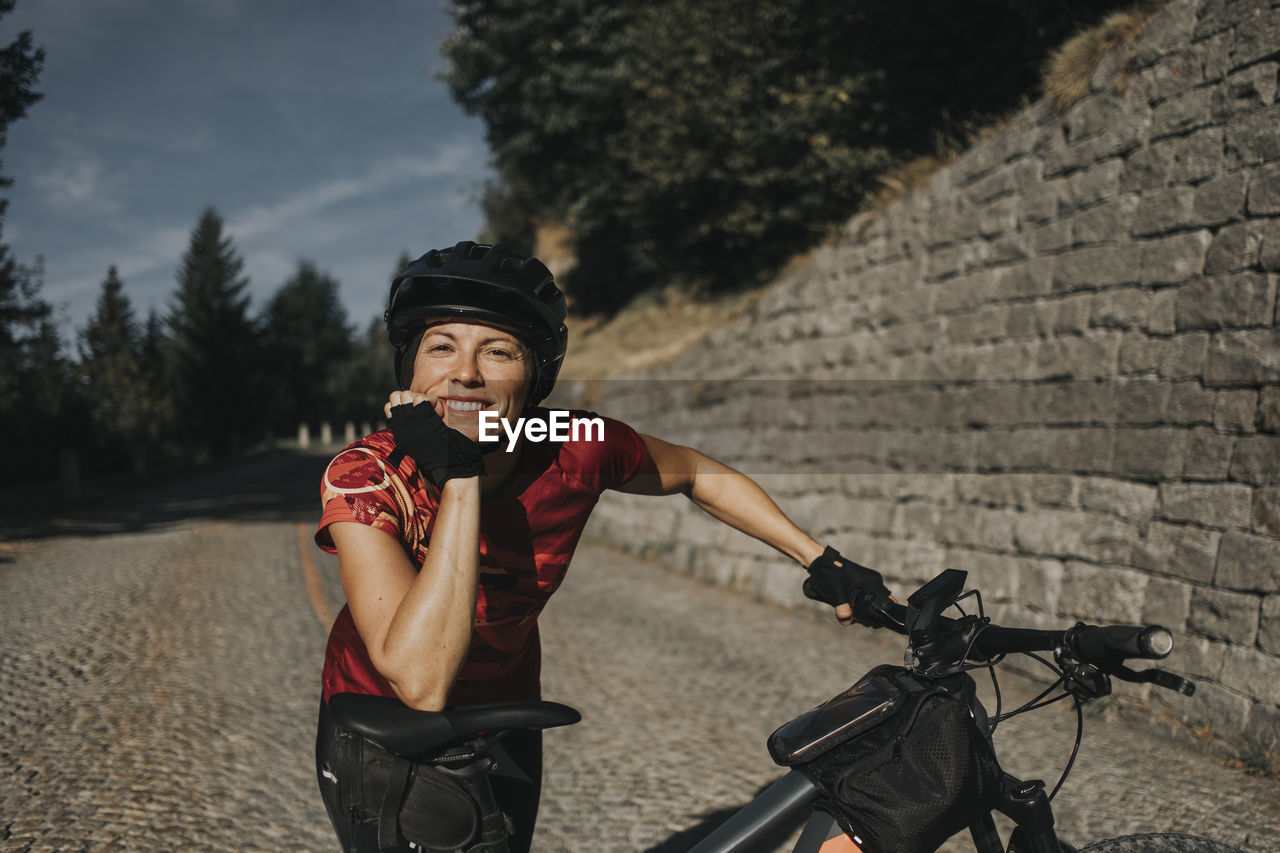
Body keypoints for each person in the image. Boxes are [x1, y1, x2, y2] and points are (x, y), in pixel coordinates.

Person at [313, 241, 890, 853]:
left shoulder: (570, 441)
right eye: (441, 346)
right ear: (410, 370)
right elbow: (420, 681)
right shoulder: (366, 474)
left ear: (534, 377)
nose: (466, 373)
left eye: (499, 351)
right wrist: (460, 479)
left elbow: (695, 472)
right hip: (385, 727)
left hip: (505, 711)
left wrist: (816, 557)